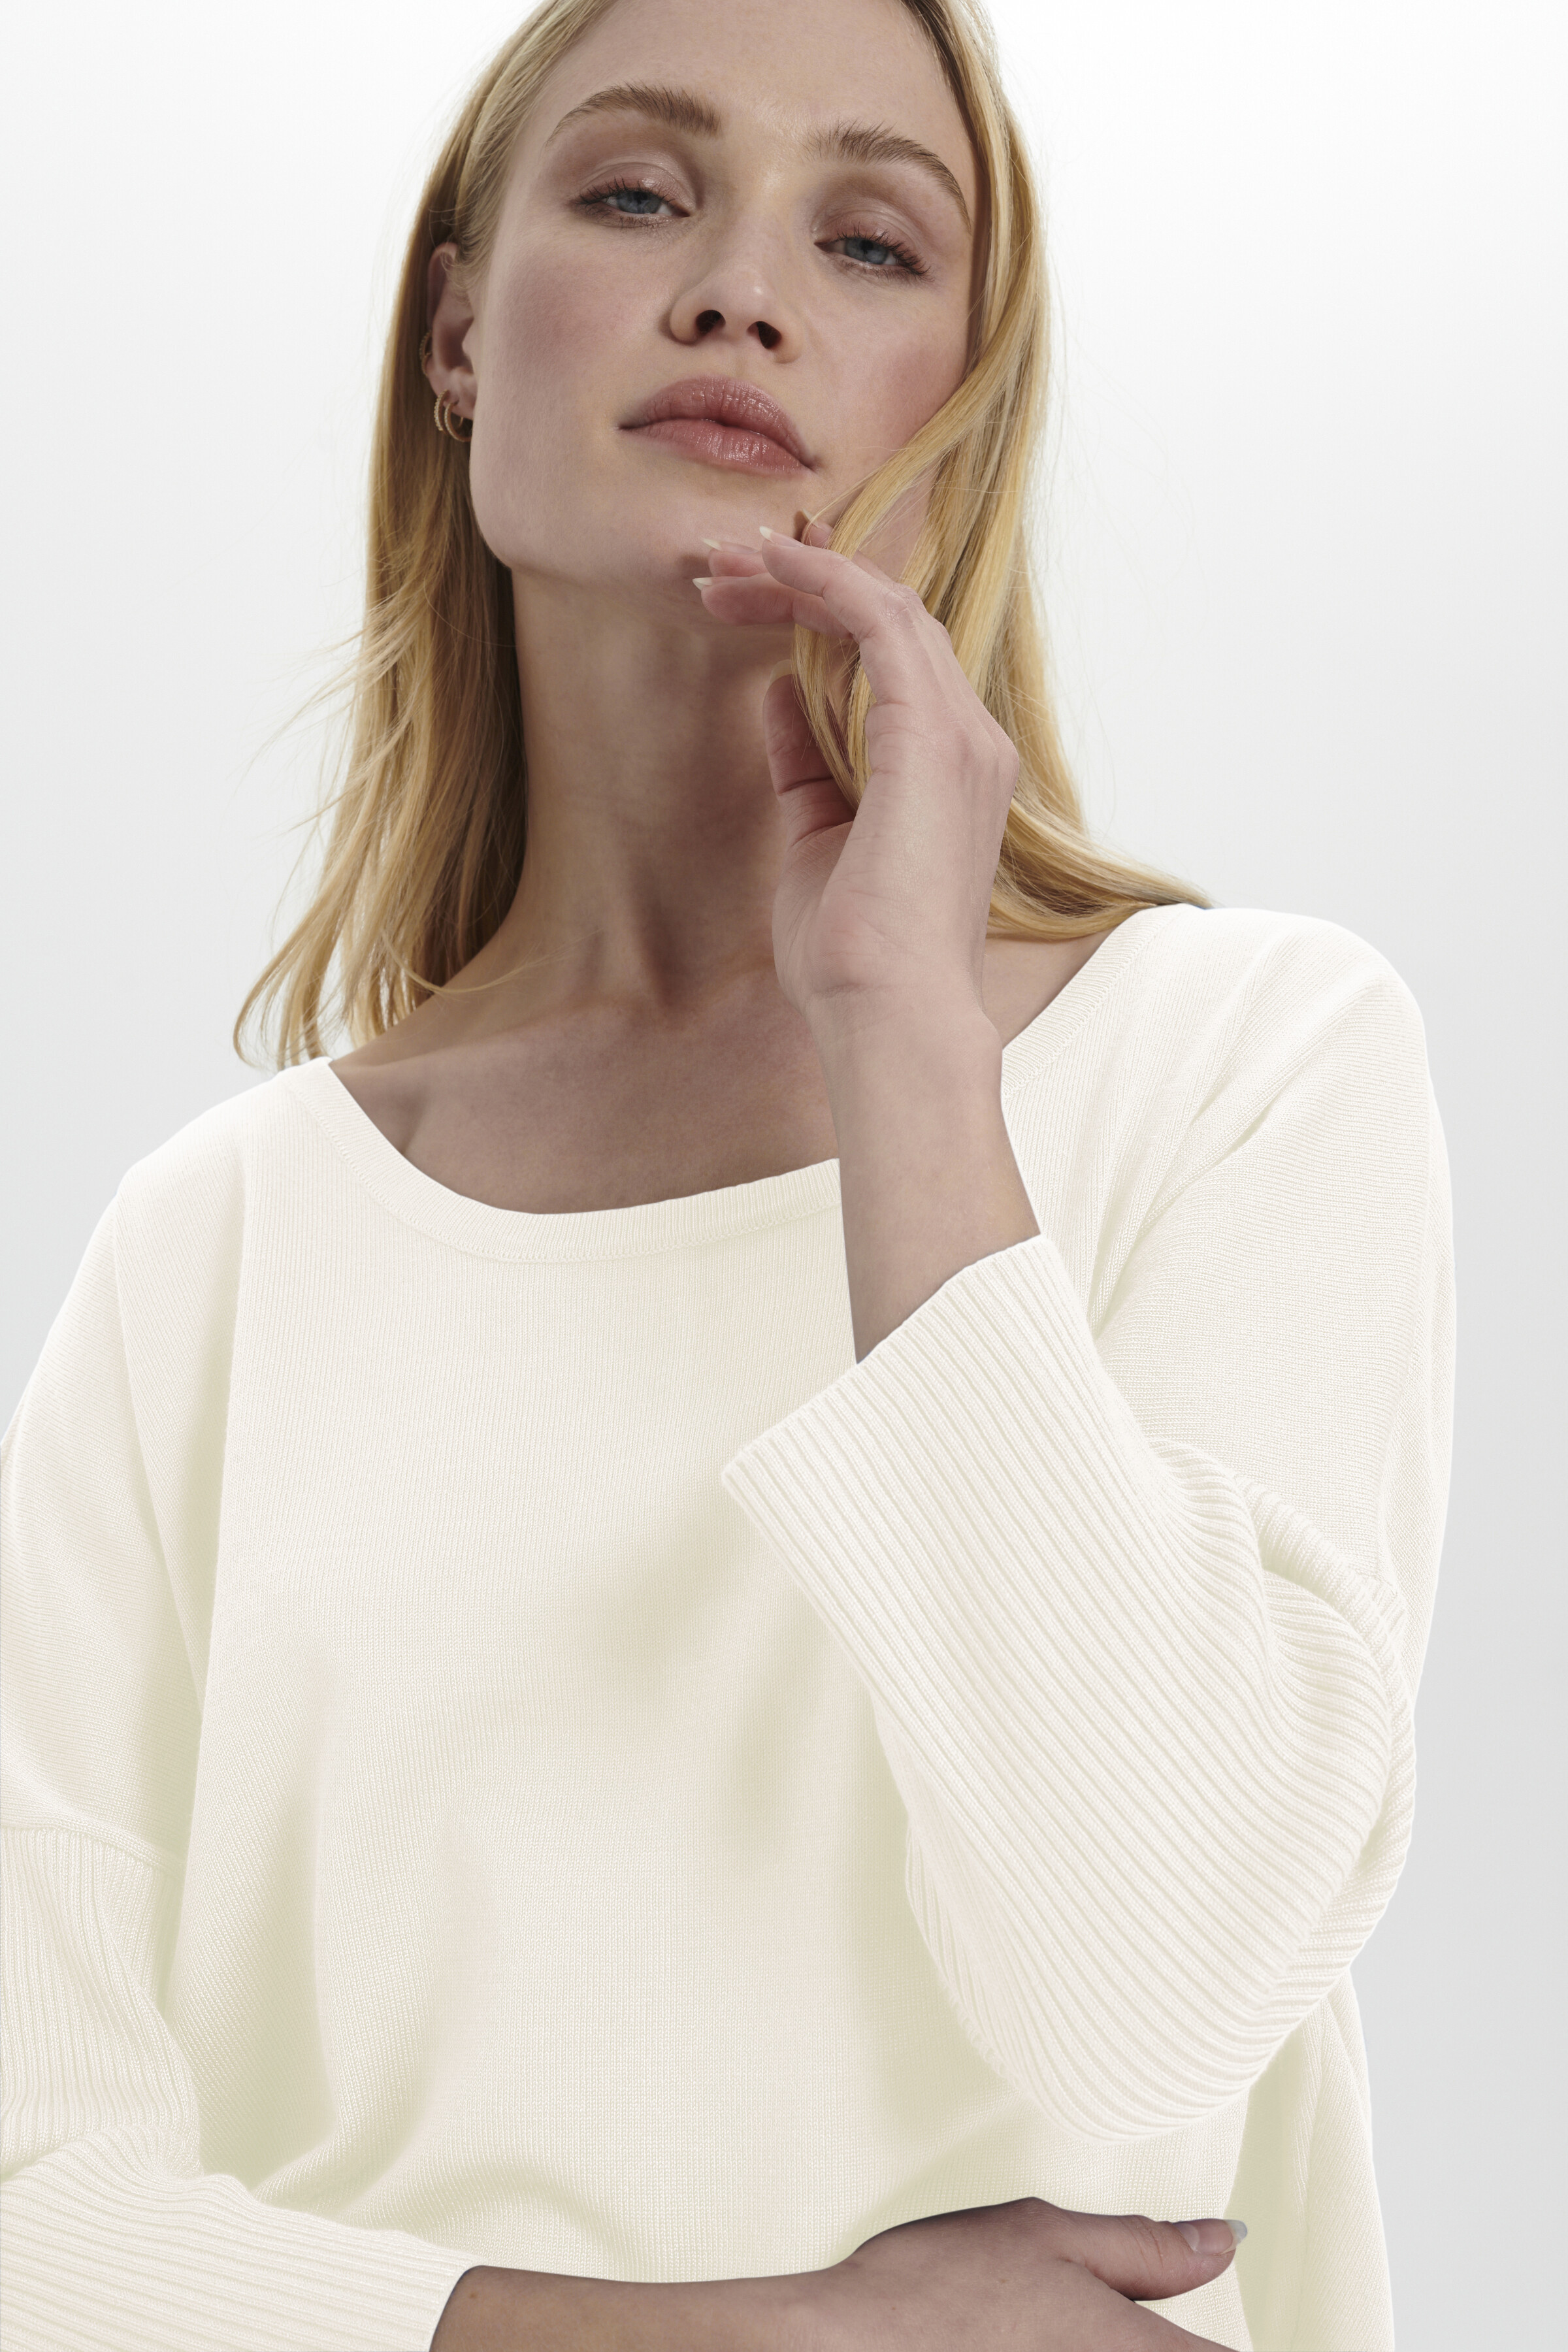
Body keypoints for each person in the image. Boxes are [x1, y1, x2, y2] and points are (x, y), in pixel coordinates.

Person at [0, 0, 1454, 2346]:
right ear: (458, 336)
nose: (742, 292)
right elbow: (26, 2209)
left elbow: (1162, 1991)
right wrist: (771, 2343)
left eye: (869, 241)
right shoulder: (213, 1253)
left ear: (965, 410)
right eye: (639, 194)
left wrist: (907, 1046)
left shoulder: (1245, 1063)